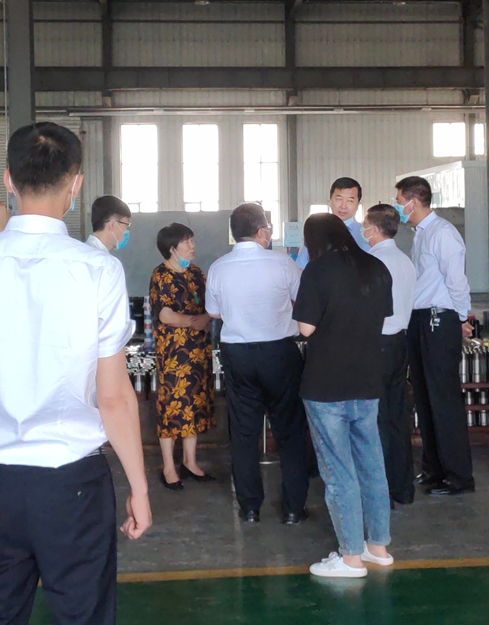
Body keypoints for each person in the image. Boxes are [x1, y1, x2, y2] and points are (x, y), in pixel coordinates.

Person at [0, 122, 151, 625]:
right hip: (73, 489)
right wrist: (140, 487)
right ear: (76, 185)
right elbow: (113, 396)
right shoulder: (97, 271)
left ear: (9, 180)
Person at [293, 213, 394, 578]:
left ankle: (350, 557)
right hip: (367, 380)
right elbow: (382, 318)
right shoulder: (377, 268)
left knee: (339, 471)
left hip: (326, 384)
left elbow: (306, 329)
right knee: (372, 464)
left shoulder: (317, 271)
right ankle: (378, 547)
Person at [205, 203, 308, 524]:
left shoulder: (218, 267)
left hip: (237, 354)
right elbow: (304, 300)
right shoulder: (283, 263)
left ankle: (250, 507)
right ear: (263, 231)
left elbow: (213, 312)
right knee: (289, 430)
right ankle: (293, 508)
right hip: (279, 353)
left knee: (244, 432)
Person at [395, 176, 474, 497]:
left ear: (414, 202)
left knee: (443, 399)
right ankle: (434, 469)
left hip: (439, 320)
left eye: (400, 202)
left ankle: (459, 476)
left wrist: (462, 317)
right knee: (425, 398)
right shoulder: (421, 234)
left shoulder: (442, 233)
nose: (398, 208)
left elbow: (457, 280)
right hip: (420, 320)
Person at [149, 223, 215, 490]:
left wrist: (206, 317)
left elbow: (212, 304)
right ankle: (168, 466)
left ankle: (190, 461)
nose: (192, 246)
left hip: (199, 351)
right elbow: (165, 314)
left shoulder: (197, 273)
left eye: (192, 240)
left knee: (195, 404)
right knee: (172, 407)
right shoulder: (161, 275)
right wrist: (194, 321)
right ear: (172, 249)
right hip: (174, 355)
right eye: (186, 242)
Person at [362, 204, 416, 509]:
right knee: (397, 417)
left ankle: (380, 492)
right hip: (399, 343)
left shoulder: (373, 263)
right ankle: (402, 487)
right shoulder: (404, 260)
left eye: (365, 226)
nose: (363, 231)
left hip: (376, 344)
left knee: (376, 420)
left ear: (374, 229)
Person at [296, 176, 368, 269]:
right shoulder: (317, 233)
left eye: (350, 201)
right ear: (330, 201)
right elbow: (300, 267)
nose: (343, 206)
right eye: (339, 199)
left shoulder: (366, 235)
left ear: (358, 205)